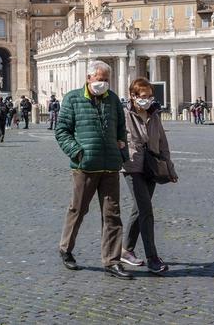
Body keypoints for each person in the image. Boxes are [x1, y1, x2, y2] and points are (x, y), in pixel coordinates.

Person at [55, 60, 131, 279]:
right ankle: (65, 248)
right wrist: (77, 152)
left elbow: (120, 131)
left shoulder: (113, 100)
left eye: (106, 80)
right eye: (100, 80)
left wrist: (122, 155)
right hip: (85, 166)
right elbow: (62, 131)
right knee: (78, 210)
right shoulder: (73, 99)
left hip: (110, 166)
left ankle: (112, 260)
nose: (103, 84)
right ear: (89, 78)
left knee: (112, 215)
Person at [121, 77, 178, 275]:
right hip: (132, 166)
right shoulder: (124, 114)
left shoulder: (154, 114)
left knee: (139, 208)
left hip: (152, 166)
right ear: (133, 96)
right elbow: (117, 139)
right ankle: (152, 258)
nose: (148, 100)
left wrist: (169, 168)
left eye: (150, 96)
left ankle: (126, 250)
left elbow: (163, 142)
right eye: (144, 97)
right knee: (146, 209)